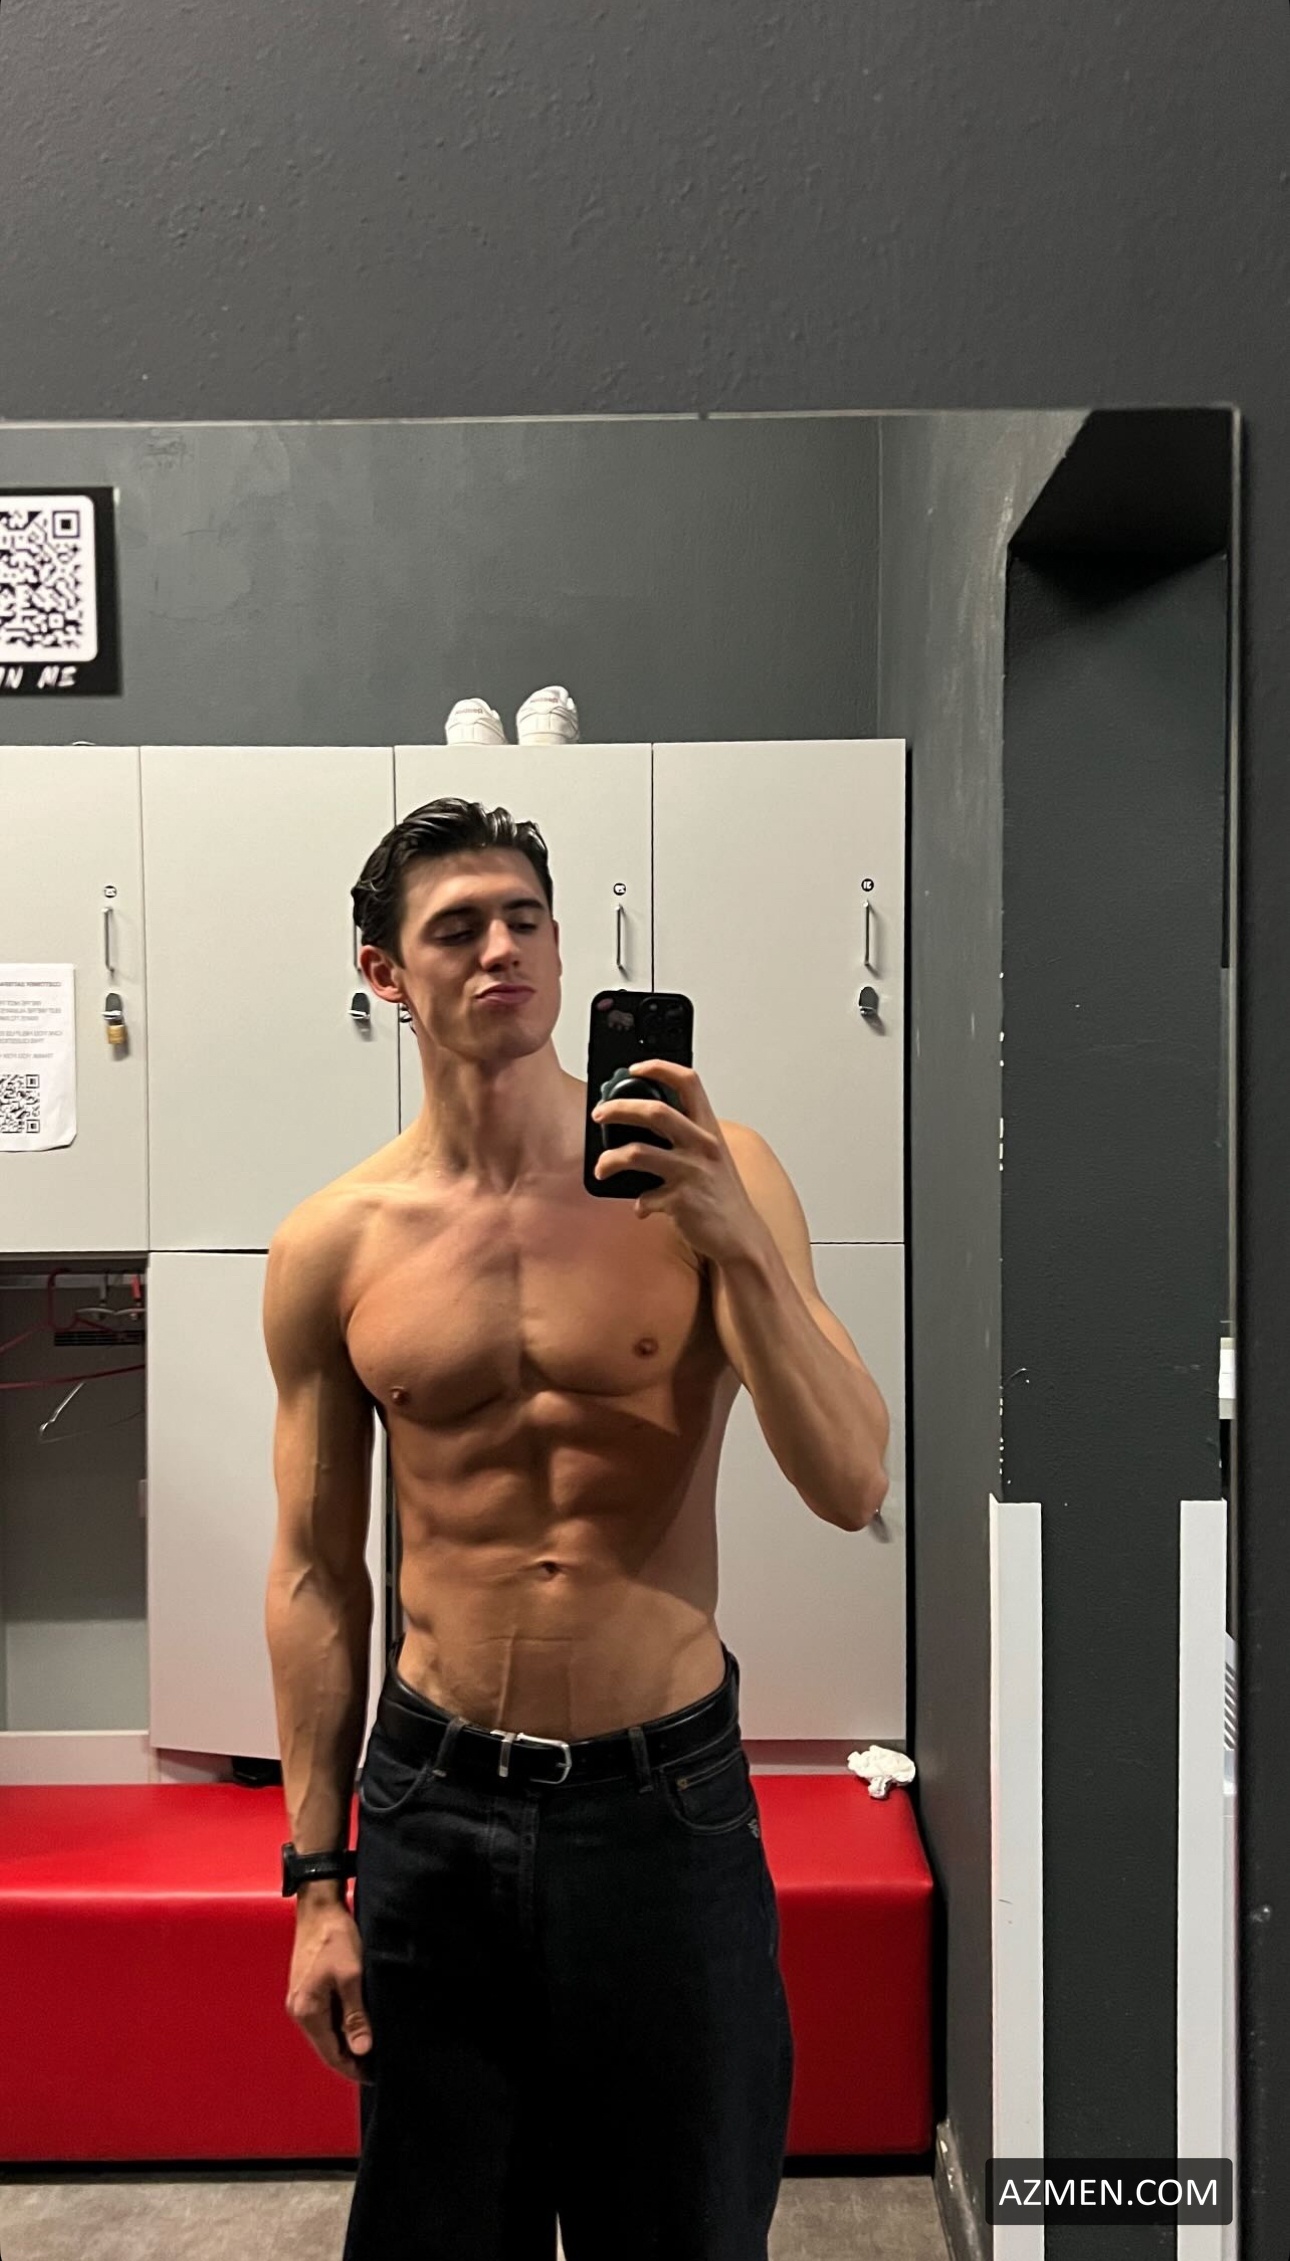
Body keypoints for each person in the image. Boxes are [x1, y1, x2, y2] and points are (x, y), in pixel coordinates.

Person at [262, 796, 890, 2261]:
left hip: (662, 1808)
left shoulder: (716, 1172)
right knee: (437, 2234)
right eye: (457, 928)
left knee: (682, 2230)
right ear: (382, 973)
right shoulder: (334, 1243)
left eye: (525, 918)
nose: (502, 949)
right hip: (433, 1806)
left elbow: (852, 1479)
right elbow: (315, 1577)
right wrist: (314, 1884)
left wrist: (737, 1244)